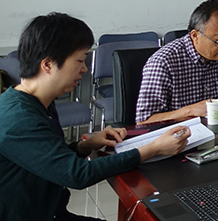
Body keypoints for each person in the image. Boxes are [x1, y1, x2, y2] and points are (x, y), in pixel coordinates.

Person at [0, 13, 189, 221]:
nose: (85, 68)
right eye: (80, 60)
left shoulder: (37, 101)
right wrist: (153, 149)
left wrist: (85, 146)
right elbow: (77, 175)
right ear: (48, 65)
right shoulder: (18, 117)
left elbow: (47, 158)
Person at [136, 0, 218, 123]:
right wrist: (190, 111)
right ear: (195, 35)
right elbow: (144, 121)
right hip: (180, 132)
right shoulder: (164, 63)